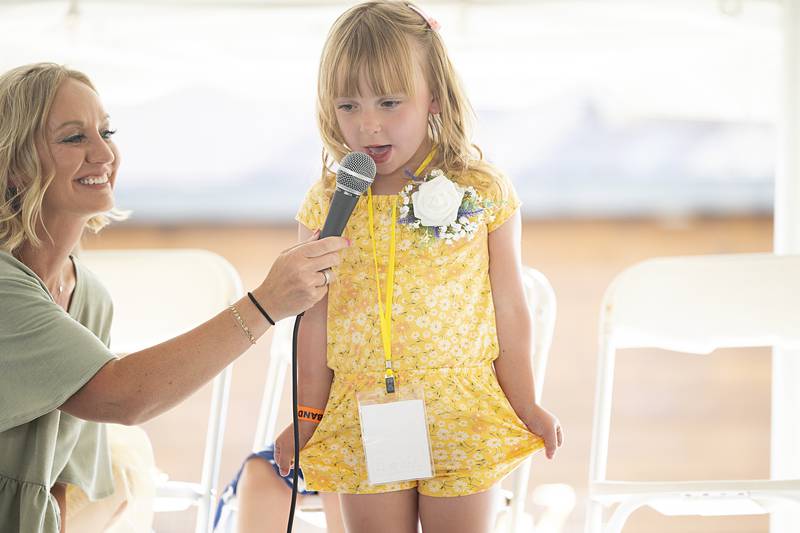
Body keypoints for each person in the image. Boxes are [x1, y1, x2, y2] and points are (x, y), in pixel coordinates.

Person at [0, 62, 350, 533]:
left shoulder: (89, 297)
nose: (103, 153)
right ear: (16, 165)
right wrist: (266, 303)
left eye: (106, 131)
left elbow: (61, 479)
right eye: (73, 138)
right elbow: (121, 397)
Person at [271, 2, 564, 532]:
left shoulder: (479, 190)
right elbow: (313, 320)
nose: (368, 125)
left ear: (433, 95)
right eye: (348, 106)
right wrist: (305, 418)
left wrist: (526, 402)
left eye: (389, 102)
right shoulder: (326, 204)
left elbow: (509, 304)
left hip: (461, 408)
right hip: (366, 412)